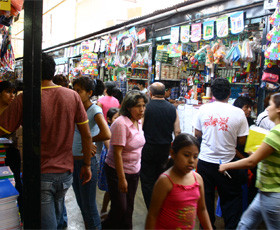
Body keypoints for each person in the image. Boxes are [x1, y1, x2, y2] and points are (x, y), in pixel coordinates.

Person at [0, 53, 93, 229]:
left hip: (40, 173)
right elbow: (87, 135)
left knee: (47, 223)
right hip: (66, 173)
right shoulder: (72, 96)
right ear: (53, 71)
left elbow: (4, 128)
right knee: (56, 216)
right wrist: (87, 165)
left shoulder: (25, 97)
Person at [219, 92, 280, 229]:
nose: (267, 109)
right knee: (245, 224)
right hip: (265, 191)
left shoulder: (276, 133)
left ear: (278, 109)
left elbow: (251, 162)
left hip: (273, 193)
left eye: (270, 105)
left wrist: (226, 166)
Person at [194, 78, 249, 229]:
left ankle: (207, 227)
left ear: (211, 93)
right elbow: (242, 141)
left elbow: (197, 134)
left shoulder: (203, 109)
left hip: (205, 162)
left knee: (205, 200)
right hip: (229, 163)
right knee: (231, 201)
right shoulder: (238, 113)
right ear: (230, 93)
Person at [145, 133, 212, 230]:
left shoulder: (198, 179)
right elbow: (152, 215)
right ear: (173, 154)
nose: (191, 161)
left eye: (195, 156)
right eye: (186, 155)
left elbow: (202, 209)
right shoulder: (165, 181)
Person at [102, 90, 148, 229]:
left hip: (134, 171)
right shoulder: (121, 124)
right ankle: (105, 226)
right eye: (138, 106)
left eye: (143, 105)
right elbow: (117, 153)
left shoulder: (138, 121)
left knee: (129, 207)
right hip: (117, 172)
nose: (142, 109)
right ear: (128, 107)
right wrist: (121, 179)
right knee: (120, 208)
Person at [72, 77, 111, 229]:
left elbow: (106, 133)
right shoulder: (77, 108)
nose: (75, 94)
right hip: (74, 160)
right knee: (82, 203)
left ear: (89, 93)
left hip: (86, 161)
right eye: (74, 90)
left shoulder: (94, 109)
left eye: (79, 91)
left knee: (89, 205)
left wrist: (89, 141)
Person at [141, 82, 181, 209]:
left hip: (148, 148)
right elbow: (177, 131)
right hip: (165, 149)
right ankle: (161, 207)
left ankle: (151, 207)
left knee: (147, 180)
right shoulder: (172, 108)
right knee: (162, 177)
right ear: (164, 93)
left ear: (150, 93)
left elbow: (140, 128)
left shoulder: (145, 108)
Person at [0, 81, 23, 221]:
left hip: (11, 153)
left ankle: (18, 215)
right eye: (8, 92)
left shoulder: (14, 110)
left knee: (16, 183)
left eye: (13, 92)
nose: (12, 95)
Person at [98, 107, 119, 221]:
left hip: (118, 161)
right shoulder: (108, 130)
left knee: (115, 189)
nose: (119, 120)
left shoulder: (119, 129)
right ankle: (104, 209)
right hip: (110, 161)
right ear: (109, 120)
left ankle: (111, 210)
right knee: (110, 188)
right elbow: (109, 147)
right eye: (116, 118)